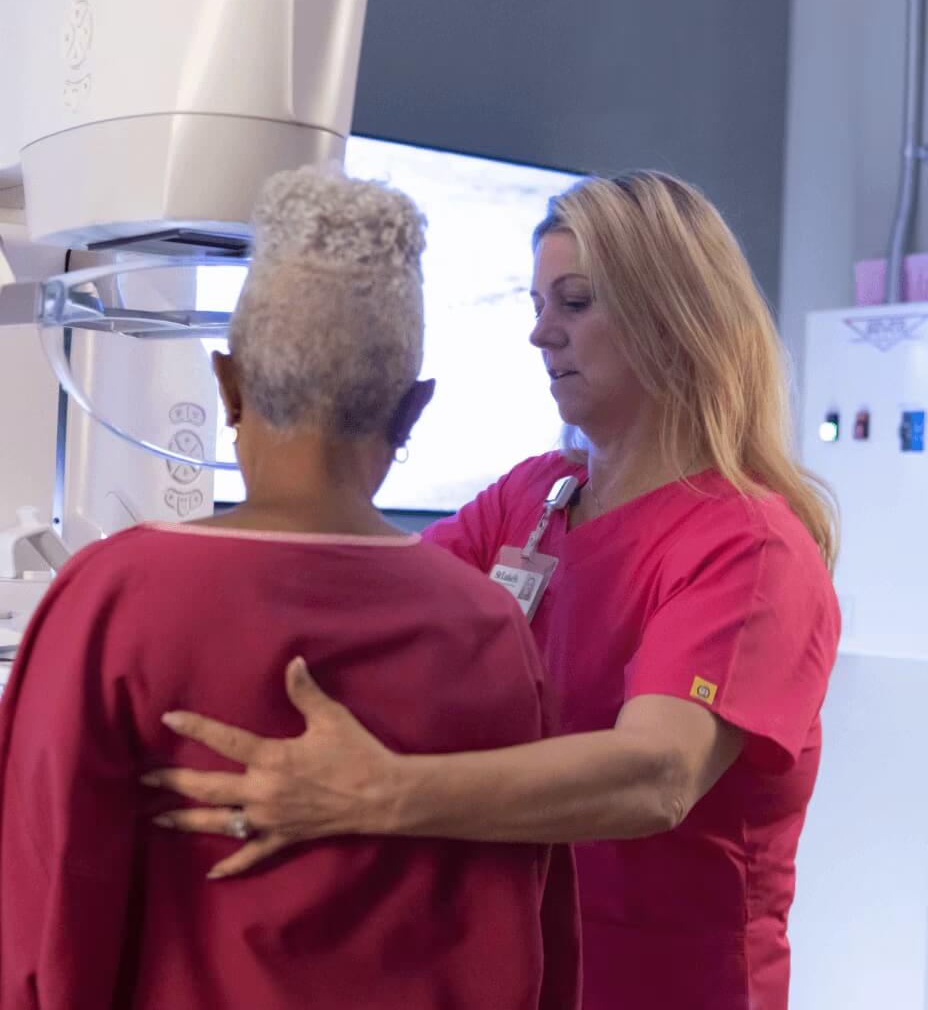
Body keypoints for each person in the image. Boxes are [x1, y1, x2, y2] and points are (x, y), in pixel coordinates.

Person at [144, 171, 841, 1010]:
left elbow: (655, 775)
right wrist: (168, 589)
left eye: (575, 303)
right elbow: (366, 611)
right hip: (519, 972)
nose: (541, 334)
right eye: (539, 304)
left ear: (674, 315)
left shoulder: (750, 548)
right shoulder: (535, 498)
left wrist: (376, 792)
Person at [0, 168, 580, 1010]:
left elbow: (37, 922)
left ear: (228, 386)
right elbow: (530, 941)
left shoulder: (112, 601)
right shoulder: (490, 628)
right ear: (412, 411)